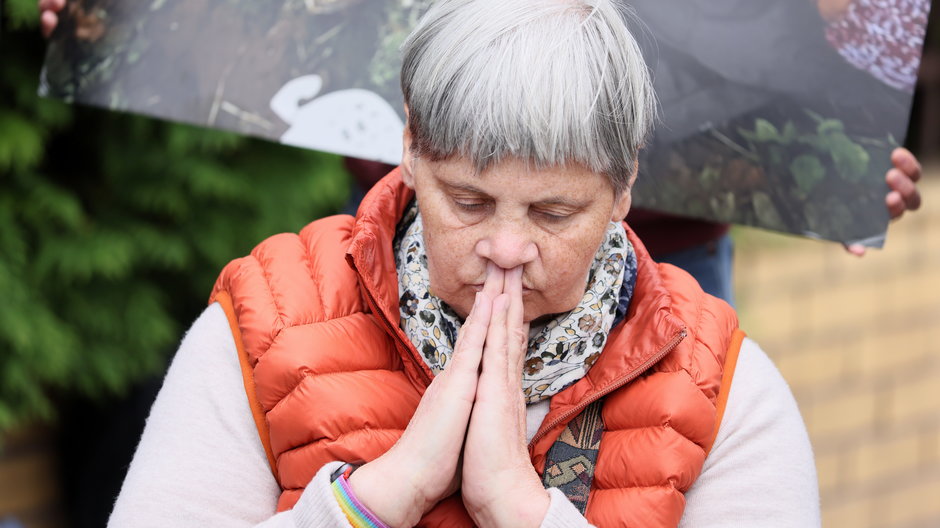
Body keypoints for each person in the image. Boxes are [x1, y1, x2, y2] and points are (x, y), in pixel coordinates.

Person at [98, 1, 827, 527]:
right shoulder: (270, 324)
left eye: (554, 213)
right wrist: (374, 504)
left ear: (625, 184)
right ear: (411, 147)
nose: (507, 249)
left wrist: (522, 512)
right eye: (469, 202)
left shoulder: (721, 389)